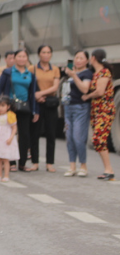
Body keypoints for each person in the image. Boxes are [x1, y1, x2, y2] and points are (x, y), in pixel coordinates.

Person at [0, 49, 39, 171]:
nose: (21, 59)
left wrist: (35, 110)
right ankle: (11, 162)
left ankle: (22, 163)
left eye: (24, 56)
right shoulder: (7, 72)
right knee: (9, 134)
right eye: (19, 56)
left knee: (24, 135)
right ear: (14, 58)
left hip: (25, 108)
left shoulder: (31, 75)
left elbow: (33, 94)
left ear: (27, 58)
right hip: (10, 108)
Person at [84, 49, 115, 181]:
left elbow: (100, 91)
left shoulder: (104, 72)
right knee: (98, 140)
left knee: (98, 139)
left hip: (105, 110)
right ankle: (108, 170)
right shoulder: (96, 73)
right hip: (97, 110)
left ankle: (109, 169)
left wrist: (87, 96)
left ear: (93, 58)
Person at [64, 50, 93, 178]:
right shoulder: (71, 73)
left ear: (87, 60)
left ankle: (83, 165)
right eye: (76, 57)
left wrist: (74, 75)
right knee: (69, 138)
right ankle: (72, 166)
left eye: (81, 58)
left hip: (80, 108)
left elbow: (85, 89)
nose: (78, 60)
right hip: (68, 107)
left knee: (78, 137)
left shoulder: (87, 73)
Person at [33, 45, 62, 173]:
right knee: (35, 133)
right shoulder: (32, 68)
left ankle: (50, 163)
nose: (46, 54)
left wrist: (41, 94)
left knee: (51, 133)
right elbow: (30, 85)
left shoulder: (55, 69)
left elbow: (55, 87)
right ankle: (35, 162)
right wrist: (36, 96)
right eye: (43, 52)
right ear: (39, 54)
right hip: (37, 104)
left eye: (48, 52)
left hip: (50, 104)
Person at [0, 96, 18, 183]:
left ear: (8, 106)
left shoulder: (11, 115)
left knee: (5, 158)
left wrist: (11, 137)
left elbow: (14, 128)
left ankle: (6, 175)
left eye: (2, 105)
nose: (0, 108)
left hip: (6, 139)